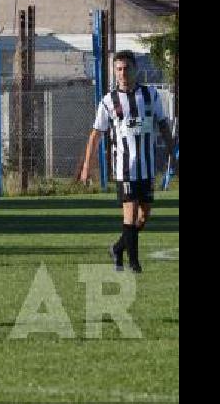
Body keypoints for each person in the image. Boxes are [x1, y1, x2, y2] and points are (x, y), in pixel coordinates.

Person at [78, 50, 175, 273]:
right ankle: (134, 264)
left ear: (135, 69)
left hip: (147, 167)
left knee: (143, 218)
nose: (123, 73)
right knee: (129, 215)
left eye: (126, 68)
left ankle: (117, 247)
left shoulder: (151, 95)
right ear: (114, 71)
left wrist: (172, 153)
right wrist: (87, 166)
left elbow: (163, 125)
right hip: (125, 168)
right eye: (119, 69)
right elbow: (95, 134)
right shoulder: (108, 101)